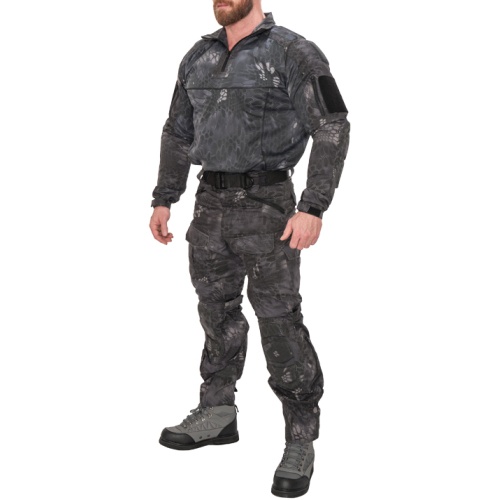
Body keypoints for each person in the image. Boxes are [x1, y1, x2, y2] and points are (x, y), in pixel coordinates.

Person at [149, 1, 350, 497]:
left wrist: (313, 206)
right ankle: (217, 411)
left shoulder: (293, 52)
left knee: (279, 321)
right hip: (208, 207)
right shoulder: (198, 56)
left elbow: (331, 125)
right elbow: (177, 130)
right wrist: (164, 197)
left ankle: (300, 437)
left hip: (268, 207)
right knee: (215, 313)